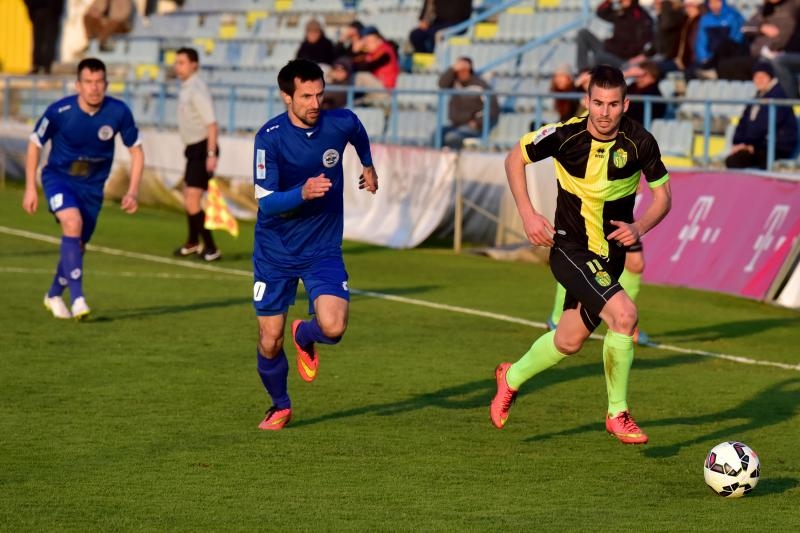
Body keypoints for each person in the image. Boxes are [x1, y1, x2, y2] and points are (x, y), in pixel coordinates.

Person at [490, 65, 672, 445]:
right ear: (586, 101)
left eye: (613, 104)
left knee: (569, 341)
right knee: (625, 315)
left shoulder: (641, 142)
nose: (605, 113)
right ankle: (617, 413)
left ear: (626, 103)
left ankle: (511, 377)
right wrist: (528, 214)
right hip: (570, 249)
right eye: (598, 103)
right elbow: (514, 159)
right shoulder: (564, 135)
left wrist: (639, 228)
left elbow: (664, 198)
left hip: (611, 257)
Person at [251, 59, 379, 431]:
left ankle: (304, 334)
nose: (314, 103)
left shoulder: (338, 122)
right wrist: (303, 193)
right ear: (286, 96)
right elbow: (266, 201)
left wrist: (368, 164)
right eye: (306, 96)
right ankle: (280, 405)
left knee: (334, 327)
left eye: (319, 94)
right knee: (269, 339)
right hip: (275, 252)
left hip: (322, 248)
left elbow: (356, 128)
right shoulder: (269, 137)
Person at [22, 57, 144, 320]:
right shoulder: (59, 111)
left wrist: (133, 190)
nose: (94, 88)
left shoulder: (118, 112)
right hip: (59, 178)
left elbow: (137, 151)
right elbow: (34, 143)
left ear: (106, 84)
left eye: (99, 82)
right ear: (78, 85)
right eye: (88, 82)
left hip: (92, 188)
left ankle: (54, 295)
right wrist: (30, 187)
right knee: (72, 222)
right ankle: (78, 299)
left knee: (78, 246)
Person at [172, 47, 221, 262]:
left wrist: (211, 154)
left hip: (202, 148)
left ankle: (210, 247)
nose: (178, 66)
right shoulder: (186, 87)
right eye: (177, 62)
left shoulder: (197, 89)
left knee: (192, 200)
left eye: (182, 62)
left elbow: (212, 124)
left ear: (194, 65)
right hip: (193, 149)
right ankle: (193, 242)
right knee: (189, 197)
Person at [724, 61, 798, 169]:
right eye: (756, 77)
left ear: (770, 78)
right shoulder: (757, 98)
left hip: (777, 148)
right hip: (758, 146)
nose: (759, 80)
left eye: (762, 77)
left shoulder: (778, 97)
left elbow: (764, 125)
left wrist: (749, 145)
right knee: (734, 160)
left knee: (735, 161)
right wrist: (738, 142)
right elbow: (743, 122)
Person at [436, 56, 499, 149]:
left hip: (473, 126)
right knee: (436, 135)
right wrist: (452, 69)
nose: (461, 73)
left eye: (464, 70)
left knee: (452, 138)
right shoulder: (454, 82)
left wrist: (477, 122)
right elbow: (442, 84)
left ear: (470, 70)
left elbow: (493, 108)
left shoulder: (480, 85)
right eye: (458, 70)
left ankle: (453, 161)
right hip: (455, 124)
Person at [575, 0, 654, 71]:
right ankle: (582, 71)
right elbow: (601, 12)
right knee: (583, 33)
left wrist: (641, 55)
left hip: (622, 58)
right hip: (609, 49)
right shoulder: (621, 13)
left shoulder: (641, 17)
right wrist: (609, 1)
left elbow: (647, 42)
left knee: (596, 58)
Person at [694, 0, 745, 76]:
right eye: (711, 3)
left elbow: (736, 39)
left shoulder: (734, 16)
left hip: (728, 56)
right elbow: (701, 42)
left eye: (717, 2)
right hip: (710, 59)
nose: (714, 5)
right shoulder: (705, 19)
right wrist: (704, 58)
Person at [352, 26, 400, 102]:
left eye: (368, 42)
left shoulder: (385, 52)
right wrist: (354, 52)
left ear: (378, 41)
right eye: (365, 42)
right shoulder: (371, 53)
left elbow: (369, 66)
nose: (366, 45)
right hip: (375, 89)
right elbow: (352, 63)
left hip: (385, 90)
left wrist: (357, 52)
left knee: (361, 76)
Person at [24, 0, 64, 74]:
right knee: (38, 38)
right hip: (38, 9)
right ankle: (38, 65)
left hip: (52, 10)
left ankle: (47, 66)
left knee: (49, 38)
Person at [625, 60, 667, 125]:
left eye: (643, 75)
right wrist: (627, 74)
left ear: (654, 77)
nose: (639, 78)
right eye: (637, 75)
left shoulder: (654, 93)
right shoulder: (632, 88)